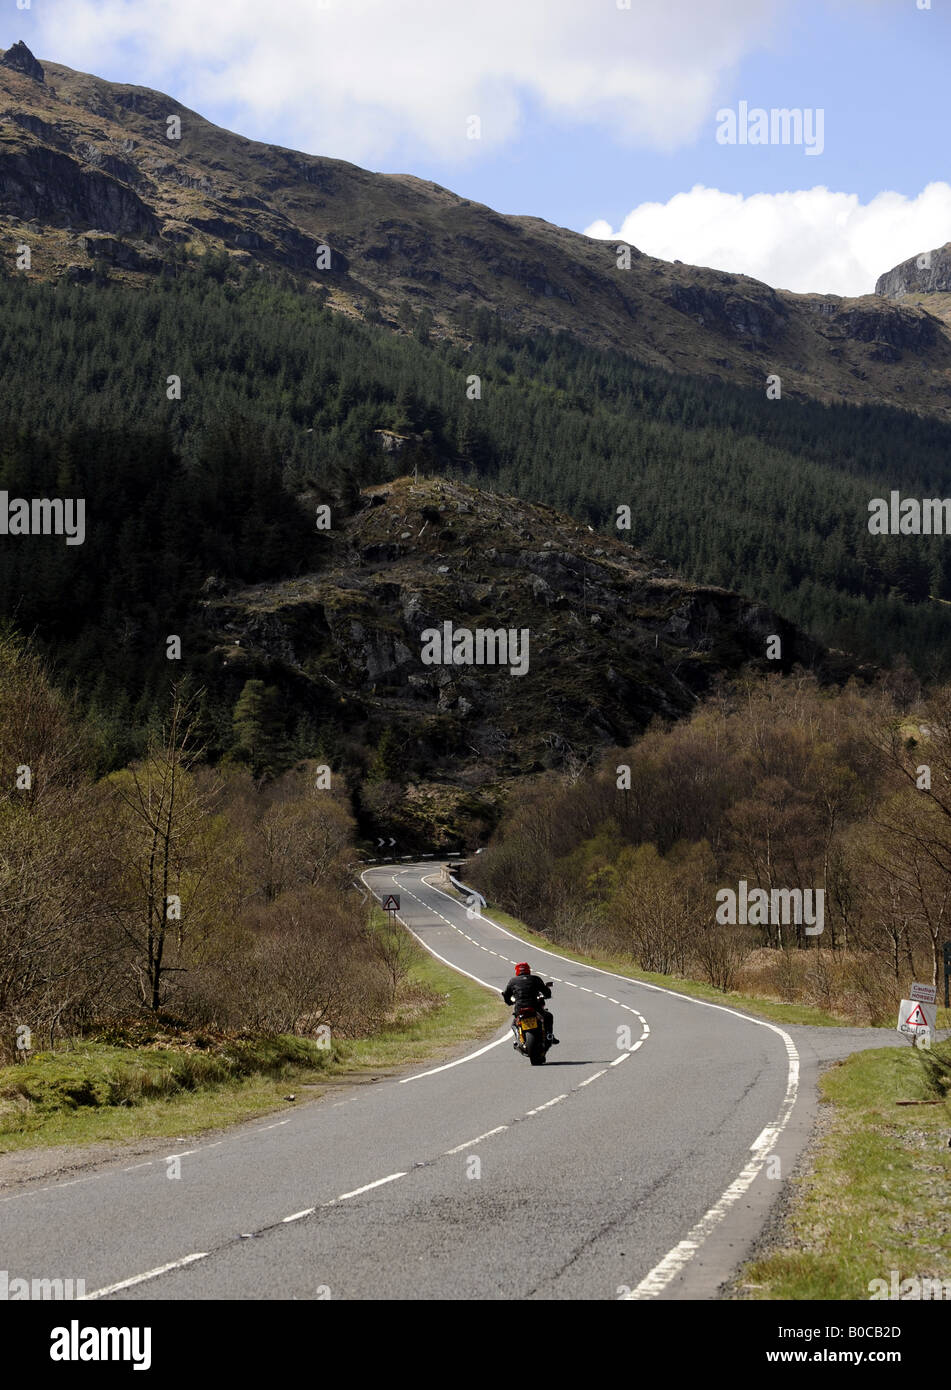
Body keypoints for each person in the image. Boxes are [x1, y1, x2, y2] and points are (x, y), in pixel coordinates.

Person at [502, 962, 558, 1044]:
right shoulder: (535, 979)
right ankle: (549, 1035)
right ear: (528, 970)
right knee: (549, 1016)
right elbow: (546, 992)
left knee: (514, 1023)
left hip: (519, 1007)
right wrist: (547, 995)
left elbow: (506, 995)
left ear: (517, 971)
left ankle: (518, 1039)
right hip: (534, 1006)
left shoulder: (512, 981)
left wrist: (509, 1002)